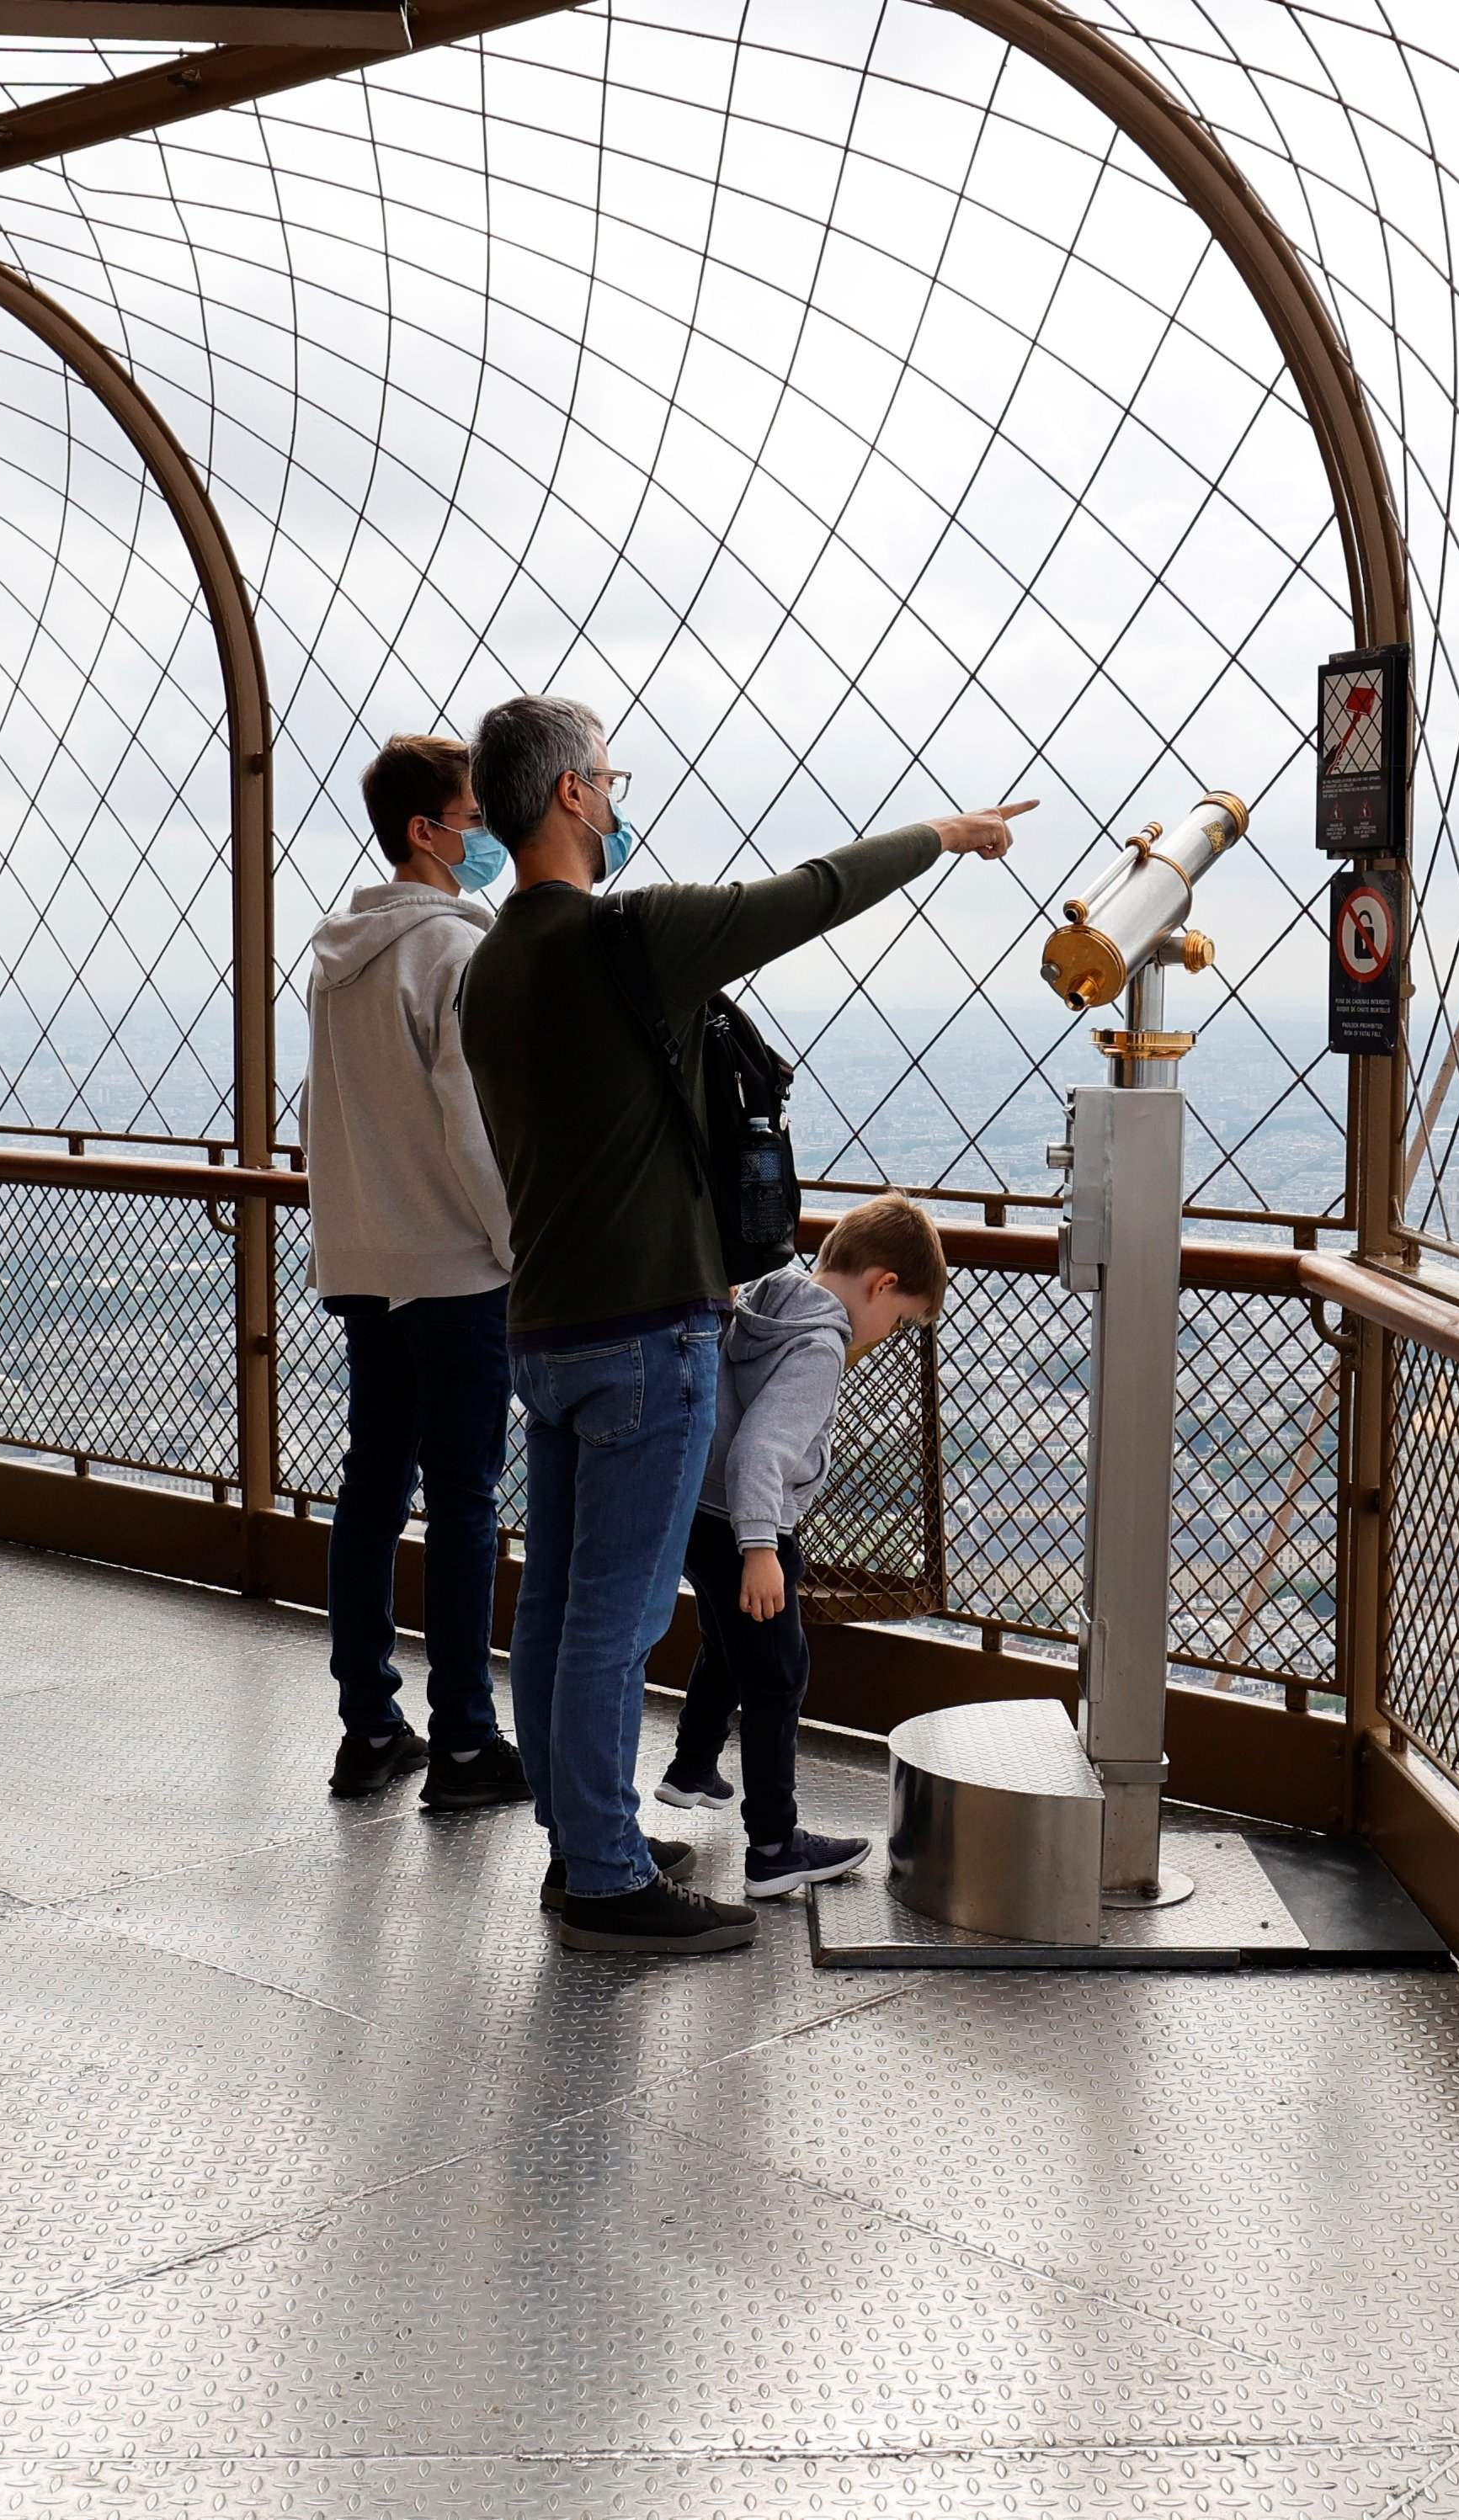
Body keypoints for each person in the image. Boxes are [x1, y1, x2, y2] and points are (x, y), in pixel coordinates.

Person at [458, 692, 1028, 1954]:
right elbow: (810, 892)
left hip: (540, 1327)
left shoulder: (487, 966)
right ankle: (602, 1875)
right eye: (606, 776)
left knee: (553, 1599)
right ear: (567, 794)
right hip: (645, 1331)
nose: (615, 797)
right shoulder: (630, 939)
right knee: (615, 1615)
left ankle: (582, 1831)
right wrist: (942, 834)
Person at [302, 734, 534, 1810]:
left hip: (362, 1258)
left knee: (371, 1491)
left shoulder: (336, 957)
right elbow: (471, 1125)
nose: (487, 835)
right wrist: (513, 1243)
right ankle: (466, 1742)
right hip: (450, 1265)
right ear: (424, 830)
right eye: (477, 818)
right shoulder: (453, 952)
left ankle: (369, 1728)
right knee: (465, 1503)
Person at [653, 1195, 946, 1896]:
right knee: (779, 1677)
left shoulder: (761, 1297)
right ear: (880, 1285)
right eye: (899, 1318)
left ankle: (692, 1768)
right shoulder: (819, 1347)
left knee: (730, 1643)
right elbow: (761, 1451)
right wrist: (760, 1546)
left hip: (697, 1510)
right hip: (749, 1524)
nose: (886, 1333)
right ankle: (776, 1846)